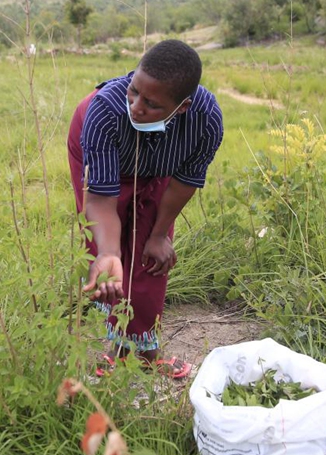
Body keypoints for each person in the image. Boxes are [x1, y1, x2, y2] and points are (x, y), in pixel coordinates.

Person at [67, 40, 224, 378]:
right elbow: (100, 199)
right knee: (111, 251)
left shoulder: (205, 121)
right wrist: (108, 252)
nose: (136, 107)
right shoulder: (105, 111)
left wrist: (158, 234)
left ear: (181, 107)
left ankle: (145, 349)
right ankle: (120, 345)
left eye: (151, 104)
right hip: (102, 156)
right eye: (133, 91)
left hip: (158, 163)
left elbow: (183, 182)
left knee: (152, 256)